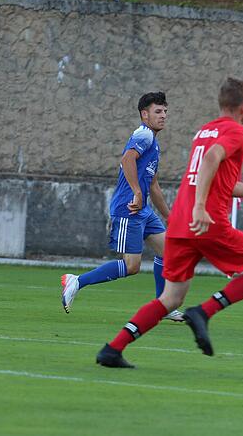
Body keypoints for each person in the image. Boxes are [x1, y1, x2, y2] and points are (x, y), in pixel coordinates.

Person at [96, 77, 243, 368]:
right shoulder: (238, 131)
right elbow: (212, 160)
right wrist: (201, 206)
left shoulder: (205, 131)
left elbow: (225, 183)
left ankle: (112, 349)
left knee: (171, 298)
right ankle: (204, 312)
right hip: (207, 222)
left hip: (181, 224)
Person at [60, 92, 183, 321]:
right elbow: (127, 159)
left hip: (143, 210)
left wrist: (169, 215)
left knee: (169, 252)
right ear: (144, 115)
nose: (164, 115)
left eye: (165, 111)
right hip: (129, 208)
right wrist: (137, 191)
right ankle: (77, 281)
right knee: (132, 265)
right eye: (158, 111)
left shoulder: (153, 144)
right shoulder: (143, 135)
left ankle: (163, 306)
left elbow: (154, 184)